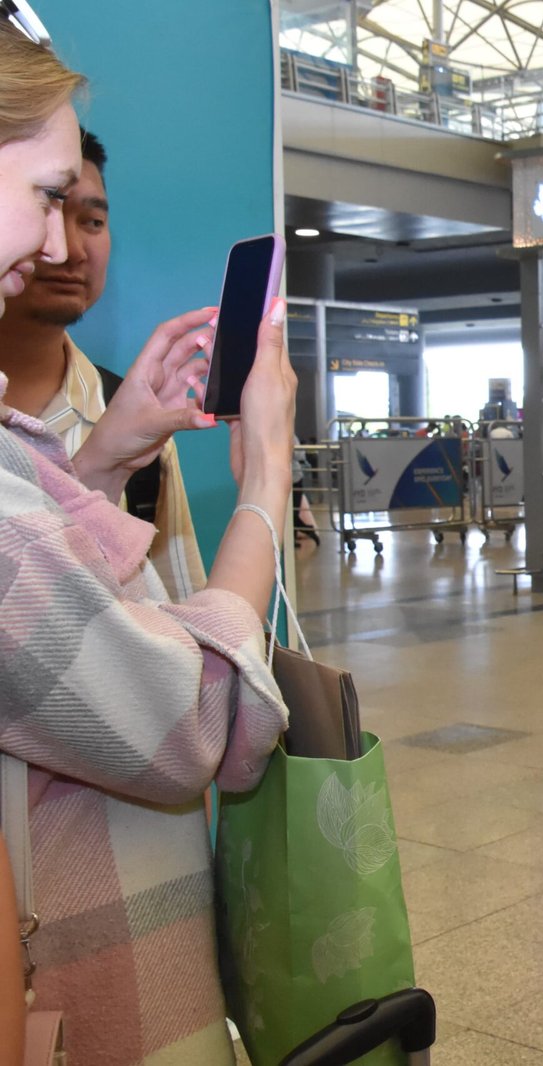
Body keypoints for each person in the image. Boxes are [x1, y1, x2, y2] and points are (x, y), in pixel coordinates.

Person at [0, 26, 295, 1065]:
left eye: (86, 214)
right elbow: (188, 718)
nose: (57, 246)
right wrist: (266, 472)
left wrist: (98, 463)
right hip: (79, 967)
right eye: (45, 197)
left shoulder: (83, 433)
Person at [0, 128, 208, 598]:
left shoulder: (135, 424)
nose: (69, 249)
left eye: (92, 222)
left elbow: (182, 625)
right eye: (45, 204)